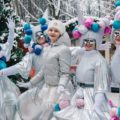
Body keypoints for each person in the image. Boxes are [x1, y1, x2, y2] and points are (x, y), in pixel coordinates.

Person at [51, 16, 111, 120]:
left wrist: (97, 106)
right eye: (86, 40)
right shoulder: (83, 55)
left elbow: (101, 87)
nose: (88, 43)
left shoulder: (100, 61)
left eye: (91, 41)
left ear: (96, 42)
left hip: (92, 97)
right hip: (79, 93)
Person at [0, 17, 20, 120]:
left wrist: (11, 31)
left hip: (5, 84)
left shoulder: (3, 53)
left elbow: (10, 43)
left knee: (11, 102)